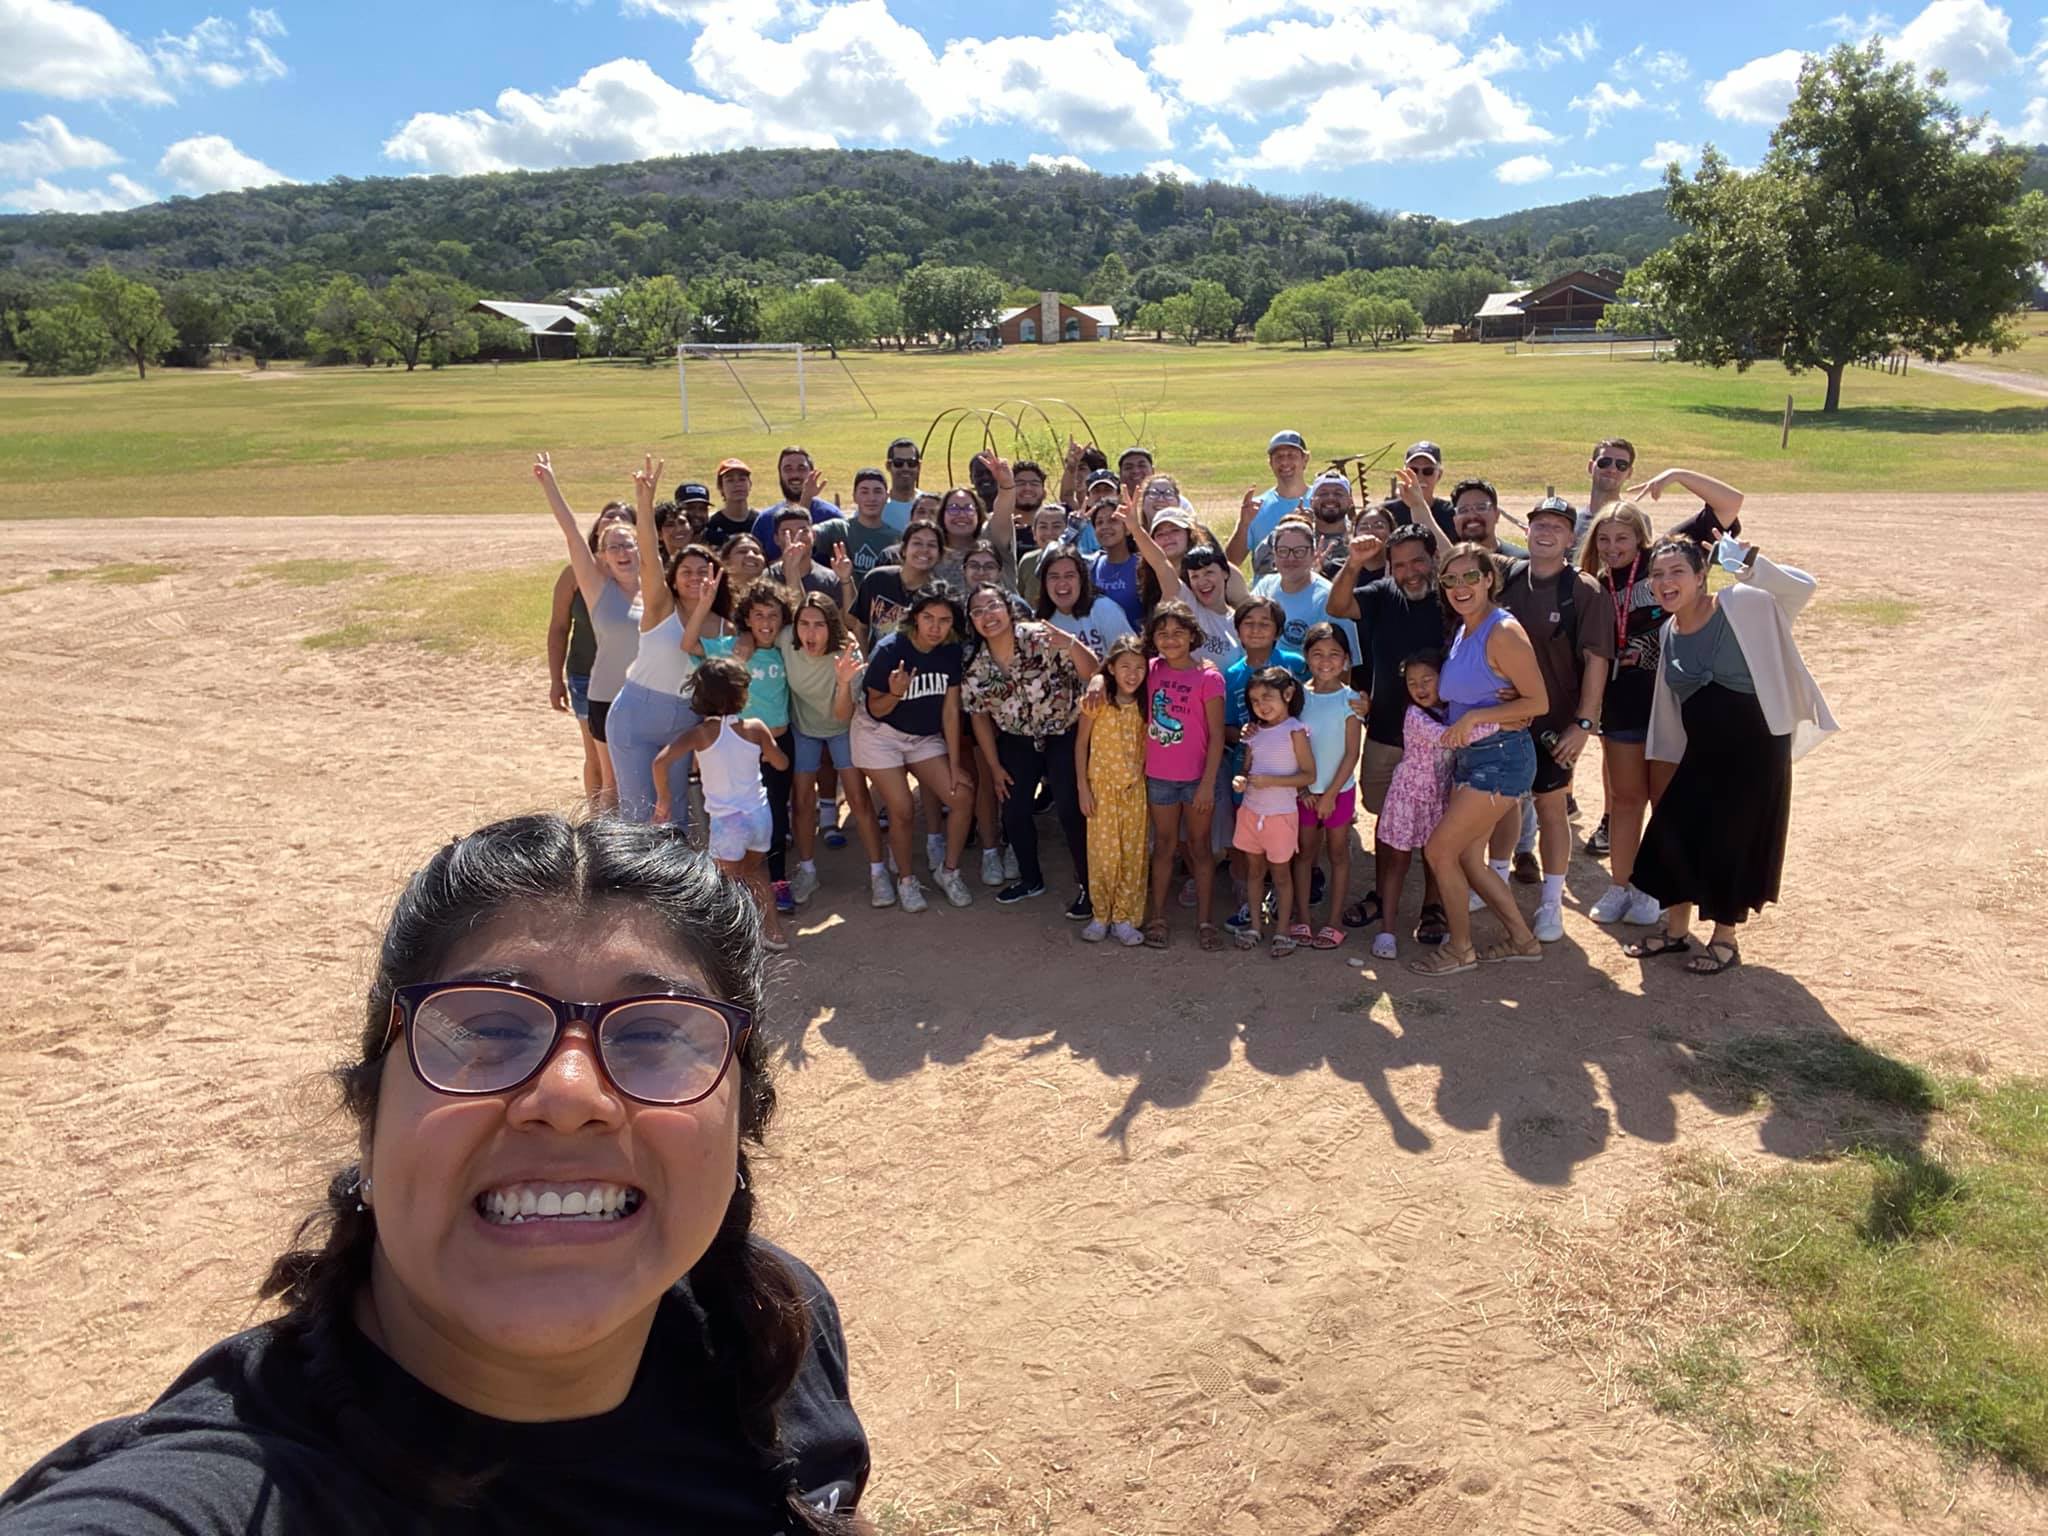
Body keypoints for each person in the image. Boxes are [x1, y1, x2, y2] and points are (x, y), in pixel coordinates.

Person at [0, 815, 870, 1533]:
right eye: (485, 1030)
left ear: (742, 1122)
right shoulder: (225, 1494)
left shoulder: (774, 1330)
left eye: (653, 1034)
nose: (570, 1094)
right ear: (369, 1116)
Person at [1624, 538, 1837, 976]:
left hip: (1755, 751)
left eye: (1677, 572)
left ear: (1701, 575)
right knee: (1673, 834)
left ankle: (1725, 940)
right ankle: (1676, 931)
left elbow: (1802, 588)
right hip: (1701, 752)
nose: (1666, 582)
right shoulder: (1668, 632)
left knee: (1731, 841)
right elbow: (1672, 710)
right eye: (1658, 574)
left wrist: (1750, 563)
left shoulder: (1743, 605)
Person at [1408, 544, 1549, 976]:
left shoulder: (1502, 630)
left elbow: (1538, 702)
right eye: (1450, 580)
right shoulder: (1464, 630)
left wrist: (1476, 717)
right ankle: (1522, 940)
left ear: (1489, 579)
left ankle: (1460, 949)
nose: (1460, 587)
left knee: (1439, 851)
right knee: (1468, 858)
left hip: (1500, 758)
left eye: (1470, 576)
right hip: (1473, 757)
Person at [1490, 495, 1613, 944]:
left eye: (1557, 527)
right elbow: (1455, 558)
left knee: (1551, 807)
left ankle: (1551, 901)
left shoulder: (1583, 590)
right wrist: (1420, 509)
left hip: (1555, 721)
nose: (1546, 532)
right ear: (1527, 530)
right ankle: (1495, 881)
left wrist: (1584, 724)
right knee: (1504, 802)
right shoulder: (1508, 575)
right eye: (1539, 524)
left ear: (1570, 538)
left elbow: (1597, 659)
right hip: (1507, 717)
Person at [1327, 525, 1453, 943]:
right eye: (1400, 565)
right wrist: (1354, 563)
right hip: (1385, 732)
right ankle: (1382, 896)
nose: (1410, 572)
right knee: (1387, 822)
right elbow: (1337, 604)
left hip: (1439, 737)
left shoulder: (1452, 599)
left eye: (1418, 561)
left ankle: (1433, 905)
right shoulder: (1382, 594)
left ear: (1434, 558)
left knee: (1439, 825)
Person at [962, 584, 1098, 911]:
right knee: (1014, 810)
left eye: (992, 606)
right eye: (977, 612)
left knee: (1071, 809)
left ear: (1008, 608)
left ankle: (1090, 887)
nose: (987, 616)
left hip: (1063, 733)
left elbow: (1092, 670)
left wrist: (1071, 643)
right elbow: (978, 716)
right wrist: (994, 766)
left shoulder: (1041, 637)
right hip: (1017, 740)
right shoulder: (974, 664)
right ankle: (1030, 879)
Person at [655, 658, 793, 951]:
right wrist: (766, 755)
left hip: (728, 823)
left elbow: (660, 762)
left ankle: (729, 948)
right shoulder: (756, 728)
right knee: (757, 874)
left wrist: (664, 799)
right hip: (759, 817)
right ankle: (774, 934)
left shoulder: (700, 734)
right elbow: (781, 763)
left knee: (722, 884)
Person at [852, 587, 976, 912]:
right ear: (915, 618)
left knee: (962, 794)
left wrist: (953, 764)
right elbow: (876, 709)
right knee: (903, 808)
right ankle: (906, 880)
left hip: (922, 737)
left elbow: (950, 712)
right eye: (928, 618)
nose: (935, 627)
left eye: (944, 620)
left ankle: (949, 872)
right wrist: (895, 693)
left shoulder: (950, 652)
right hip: (880, 734)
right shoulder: (890, 650)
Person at [534, 455, 641, 811]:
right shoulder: (595, 587)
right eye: (613, 546)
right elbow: (570, 533)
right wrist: (550, 483)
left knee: (644, 774)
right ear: (603, 554)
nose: (622, 552)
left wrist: (645, 494)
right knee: (611, 781)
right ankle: (603, 836)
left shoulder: (655, 587)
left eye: (628, 544)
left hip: (647, 694)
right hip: (604, 694)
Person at [684, 579, 798, 913]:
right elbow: (688, 644)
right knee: (735, 815)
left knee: (776, 814)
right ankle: (733, 886)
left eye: (773, 615)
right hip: (741, 747)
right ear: (746, 619)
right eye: (758, 615)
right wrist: (703, 605)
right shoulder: (732, 648)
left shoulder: (785, 648)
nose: (766, 623)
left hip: (778, 742)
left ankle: (777, 879)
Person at [1580, 503, 1667, 927]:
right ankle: (1621, 885)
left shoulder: (1662, 573)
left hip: (1668, 705)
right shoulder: (1594, 585)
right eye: (1604, 539)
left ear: (1640, 540)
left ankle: (1655, 887)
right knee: (1626, 799)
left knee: (1664, 801)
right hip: (1620, 705)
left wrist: (1674, 474)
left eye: (1622, 538)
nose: (1612, 547)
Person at [1370, 651, 1479, 962]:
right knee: (1398, 863)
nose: (1419, 688)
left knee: (1437, 860)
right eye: (1412, 682)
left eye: (1427, 679)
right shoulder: (1415, 716)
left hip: (1438, 800)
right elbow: (1451, 738)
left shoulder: (1452, 711)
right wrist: (1501, 722)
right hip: (1407, 799)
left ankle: (1435, 915)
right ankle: (1387, 930)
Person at [778, 592, 885, 907]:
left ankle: (878, 873)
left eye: (819, 625)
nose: (810, 633)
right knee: (801, 801)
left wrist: (843, 682)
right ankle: (807, 871)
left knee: (858, 798)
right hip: (803, 728)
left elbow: (842, 716)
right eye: (804, 624)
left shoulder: (847, 651)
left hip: (843, 729)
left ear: (832, 627)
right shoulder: (786, 640)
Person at [1141, 601, 1227, 951]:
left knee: (1200, 847)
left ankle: (1205, 921)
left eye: (1178, 632)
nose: (1170, 639)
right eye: (1162, 633)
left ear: (1193, 635)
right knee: (1163, 846)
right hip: (1159, 776)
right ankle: (1158, 917)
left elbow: (1217, 736)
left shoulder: (1209, 677)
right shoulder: (1149, 670)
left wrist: (1207, 784)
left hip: (1197, 779)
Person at [547, 502, 633, 800]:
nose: (614, 522)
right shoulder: (575, 575)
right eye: (608, 518)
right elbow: (559, 628)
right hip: (587, 676)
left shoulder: (639, 577)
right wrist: (556, 680)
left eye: (623, 520)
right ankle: (596, 818)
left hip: (633, 680)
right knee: (597, 758)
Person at [1230, 667, 1315, 956]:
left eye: (1267, 697)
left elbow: (1309, 774)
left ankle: (1282, 931)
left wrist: (1272, 782)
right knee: (1254, 872)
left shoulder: (1295, 731)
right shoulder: (1253, 733)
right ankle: (1255, 926)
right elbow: (1246, 768)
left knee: (1281, 875)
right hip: (1251, 812)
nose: (1261, 705)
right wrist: (1240, 780)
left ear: (1288, 694)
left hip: (1280, 816)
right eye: (1254, 700)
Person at [1290, 623, 1363, 951]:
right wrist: (1303, 791)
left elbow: (1352, 753)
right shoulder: (1297, 698)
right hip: (1305, 793)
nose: (1325, 661)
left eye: (1334, 654)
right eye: (1317, 653)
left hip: (1339, 793)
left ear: (1346, 659)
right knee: (1305, 854)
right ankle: (1303, 917)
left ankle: (1334, 922)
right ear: (1306, 657)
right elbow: (1291, 747)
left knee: (1337, 853)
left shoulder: (1351, 700)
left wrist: (1330, 794)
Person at [1075, 637, 1151, 947]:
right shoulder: (1096, 702)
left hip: (1134, 791)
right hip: (1101, 791)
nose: (1132, 674)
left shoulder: (1147, 705)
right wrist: (1082, 787)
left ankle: (1124, 918)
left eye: (1139, 668)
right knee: (1103, 856)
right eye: (1125, 667)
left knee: (1132, 856)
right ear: (1111, 669)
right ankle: (1101, 915)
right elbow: (1081, 745)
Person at [1578, 438, 1745, 552]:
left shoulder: (1636, 521)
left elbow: (1732, 502)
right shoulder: (1571, 520)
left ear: (1629, 473)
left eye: (1621, 465)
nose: (1612, 469)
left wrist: (1676, 474)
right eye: (1605, 462)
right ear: (1591, 467)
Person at [1130, 509, 1244, 672]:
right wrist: (1135, 528)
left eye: (1209, 573)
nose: (1202, 582)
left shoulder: (1239, 622)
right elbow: (1161, 563)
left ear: (1226, 573)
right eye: (1195, 576)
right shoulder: (1186, 601)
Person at [1251, 517, 1361, 664]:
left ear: (1313, 553)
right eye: (1283, 551)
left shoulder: (1330, 598)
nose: (1290, 558)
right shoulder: (1265, 587)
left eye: (1299, 551)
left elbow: (1348, 664)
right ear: (1274, 554)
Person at [850, 518, 943, 640]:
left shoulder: (940, 594)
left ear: (939, 555)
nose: (924, 550)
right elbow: (861, 628)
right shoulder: (876, 579)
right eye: (917, 543)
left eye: (931, 545)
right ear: (904, 549)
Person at [1036, 545, 1133, 655]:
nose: (1062, 583)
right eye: (1054, 577)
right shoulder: (1040, 621)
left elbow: (1130, 657)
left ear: (1081, 579)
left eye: (1069, 576)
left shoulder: (1105, 610)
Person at [1253, 471, 1353, 579]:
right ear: (1311, 502)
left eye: (1338, 493)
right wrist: (1290, 525)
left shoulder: (1358, 535)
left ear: (1350, 502)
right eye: (1323, 494)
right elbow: (1259, 565)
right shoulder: (1295, 534)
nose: (1330, 498)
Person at [751, 447, 844, 558]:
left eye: (801, 468)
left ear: (812, 473)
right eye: (788, 469)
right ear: (780, 474)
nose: (795, 475)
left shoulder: (831, 516)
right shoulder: (765, 521)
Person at [768, 507, 853, 610]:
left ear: (813, 535)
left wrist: (846, 580)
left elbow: (850, 619)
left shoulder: (831, 581)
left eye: (803, 531)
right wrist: (792, 569)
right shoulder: (766, 578)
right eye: (787, 533)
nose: (797, 537)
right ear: (776, 539)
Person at [1380, 442, 1459, 544]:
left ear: (1439, 475)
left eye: (1428, 471)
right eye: (1413, 471)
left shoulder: (1451, 514)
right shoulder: (1386, 513)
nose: (1420, 477)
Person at [1088, 495, 1145, 628]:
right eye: (1099, 523)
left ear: (1127, 528)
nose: (1105, 527)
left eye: (1112, 520)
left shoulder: (1141, 566)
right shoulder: (1091, 566)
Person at [837, 469, 903, 579]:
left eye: (877, 492)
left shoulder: (896, 538)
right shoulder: (839, 529)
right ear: (854, 496)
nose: (871, 498)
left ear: (887, 496)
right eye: (864, 492)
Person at [1446, 478, 1525, 559]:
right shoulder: (1447, 563)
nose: (1472, 516)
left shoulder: (1522, 562)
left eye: (1481, 508)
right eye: (1463, 510)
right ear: (1455, 520)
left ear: (1496, 515)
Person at [1015, 502, 1074, 605]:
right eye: (1043, 527)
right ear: (1034, 533)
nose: (1049, 533)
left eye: (1056, 526)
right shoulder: (1027, 561)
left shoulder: (1078, 562)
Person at [702, 460, 759, 548]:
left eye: (742, 479)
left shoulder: (760, 521)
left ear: (750, 484)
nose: (737, 484)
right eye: (730, 480)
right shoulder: (712, 525)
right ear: (720, 487)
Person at [881, 437, 922, 531]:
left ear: (919, 466)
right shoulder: (876, 506)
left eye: (911, 463)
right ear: (888, 466)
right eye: (898, 463)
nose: (905, 468)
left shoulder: (929, 506)